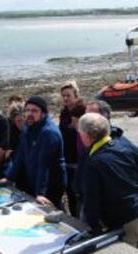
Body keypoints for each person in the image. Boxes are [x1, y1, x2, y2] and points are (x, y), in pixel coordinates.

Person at [78, 113, 138, 253]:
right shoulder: (121, 142)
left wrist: (95, 229)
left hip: (126, 220)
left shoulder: (94, 163)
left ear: (87, 136)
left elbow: (91, 199)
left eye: (80, 132)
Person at [6, 96, 67, 207]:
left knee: (53, 214)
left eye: (34, 111)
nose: (29, 113)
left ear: (43, 113)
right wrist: (9, 177)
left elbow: (45, 164)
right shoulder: (28, 127)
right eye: (27, 110)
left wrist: (40, 193)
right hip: (34, 178)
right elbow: (21, 155)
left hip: (52, 183)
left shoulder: (49, 132)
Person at [59, 80, 81, 216]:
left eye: (68, 95)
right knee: (70, 194)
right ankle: (75, 220)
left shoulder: (81, 111)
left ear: (76, 95)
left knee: (79, 194)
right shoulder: (64, 112)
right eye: (63, 96)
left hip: (79, 160)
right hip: (66, 158)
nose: (65, 98)